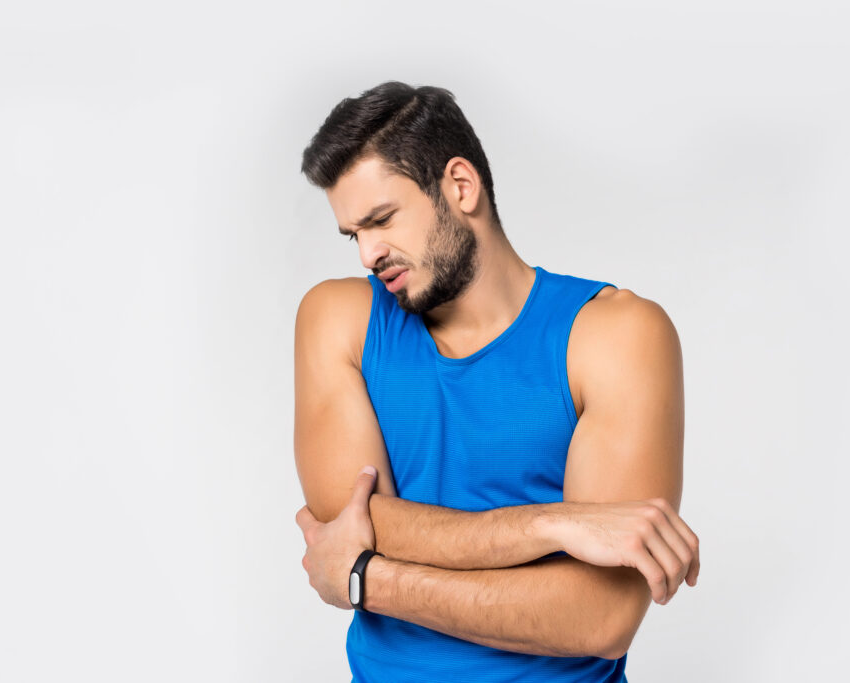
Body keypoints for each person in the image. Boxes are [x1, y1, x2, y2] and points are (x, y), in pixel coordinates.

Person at [292, 80, 700, 682]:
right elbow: (347, 518)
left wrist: (366, 579)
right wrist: (553, 522)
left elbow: (600, 619)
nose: (367, 255)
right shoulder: (339, 320)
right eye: (354, 234)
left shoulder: (615, 336)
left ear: (460, 186)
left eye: (381, 220)